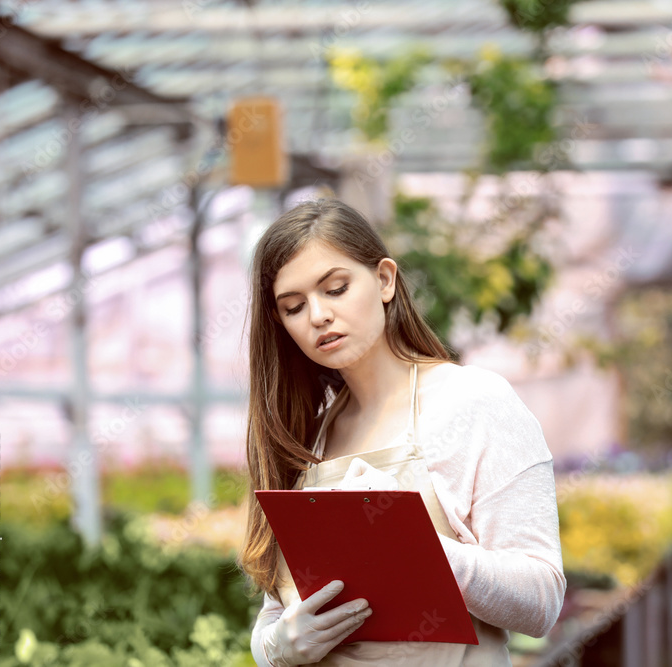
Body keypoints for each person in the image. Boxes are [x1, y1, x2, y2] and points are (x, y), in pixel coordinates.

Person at [236, 197, 566, 666]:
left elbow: (541, 600)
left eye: (335, 288)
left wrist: (416, 544)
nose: (317, 316)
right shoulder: (304, 441)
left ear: (385, 279)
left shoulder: (473, 402)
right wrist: (279, 647)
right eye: (293, 307)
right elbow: (275, 614)